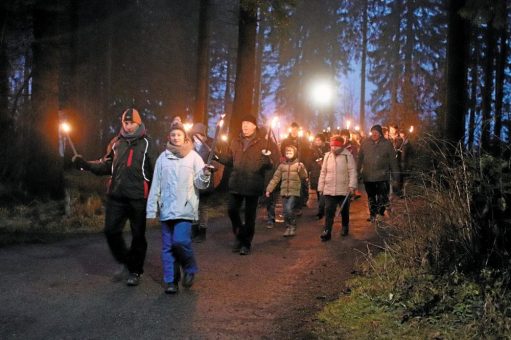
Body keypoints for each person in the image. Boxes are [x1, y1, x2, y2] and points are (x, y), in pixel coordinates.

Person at [72, 108, 155, 286]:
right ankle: (128, 261)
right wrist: (85, 165)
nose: (128, 125)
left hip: (138, 197)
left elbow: (156, 170)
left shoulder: (147, 144)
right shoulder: (116, 142)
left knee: (138, 236)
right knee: (111, 231)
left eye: (131, 122)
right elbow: (106, 165)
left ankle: (135, 271)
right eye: (125, 122)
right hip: (117, 195)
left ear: (138, 123)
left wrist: (157, 195)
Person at [146, 122, 211, 294]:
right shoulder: (162, 158)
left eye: (179, 134)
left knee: (180, 241)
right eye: (173, 135)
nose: (176, 137)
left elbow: (201, 185)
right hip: (167, 209)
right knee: (168, 246)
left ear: (185, 137)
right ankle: (171, 281)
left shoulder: (194, 157)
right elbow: (156, 185)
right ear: (169, 137)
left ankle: (189, 267)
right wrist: (152, 208)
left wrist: (205, 175)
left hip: (185, 208)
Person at [216, 114, 273, 255]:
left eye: (248, 123)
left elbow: (270, 165)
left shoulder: (262, 143)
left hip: (253, 184)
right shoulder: (235, 141)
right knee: (232, 210)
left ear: (255, 126)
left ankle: (246, 243)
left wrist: (267, 162)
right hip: (236, 182)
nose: (245, 126)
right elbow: (230, 160)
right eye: (243, 123)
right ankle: (240, 234)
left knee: (249, 216)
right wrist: (218, 157)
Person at [318, 135, 357, 241]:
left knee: (344, 210)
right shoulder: (327, 156)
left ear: (341, 146)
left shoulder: (347, 156)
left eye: (335, 146)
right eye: (332, 146)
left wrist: (352, 186)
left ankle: (345, 226)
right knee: (329, 210)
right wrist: (321, 186)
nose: (333, 148)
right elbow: (323, 172)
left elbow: (352, 171)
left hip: (343, 189)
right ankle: (327, 231)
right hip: (329, 189)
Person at [357, 124, 400, 222]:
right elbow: (359, 158)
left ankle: (380, 213)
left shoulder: (387, 144)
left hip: (382, 176)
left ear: (380, 134)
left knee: (382, 196)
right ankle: (372, 214)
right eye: (373, 132)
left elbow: (393, 161)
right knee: (371, 197)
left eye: (376, 132)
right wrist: (357, 171)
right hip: (368, 176)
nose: (374, 134)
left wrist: (396, 177)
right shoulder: (365, 143)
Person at [265, 145, 308, 237]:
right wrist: (269, 189)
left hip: (294, 191)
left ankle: (292, 225)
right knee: (285, 211)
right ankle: (288, 227)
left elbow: (304, 176)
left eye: (291, 152)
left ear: (295, 153)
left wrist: (301, 170)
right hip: (284, 191)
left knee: (289, 208)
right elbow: (275, 178)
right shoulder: (282, 166)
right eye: (287, 152)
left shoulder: (298, 165)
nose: (289, 154)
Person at [189, 123, 214, 242]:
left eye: (199, 135)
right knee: (193, 206)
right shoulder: (189, 148)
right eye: (195, 135)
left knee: (203, 207)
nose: (196, 138)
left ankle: (202, 232)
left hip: (205, 181)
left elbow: (217, 165)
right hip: (192, 182)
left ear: (204, 136)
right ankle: (194, 230)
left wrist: (208, 168)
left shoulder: (209, 148)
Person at [280, 122, 311, 214]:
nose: (294, 131)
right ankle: (289, 207)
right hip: (289, 167)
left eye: (296, 129)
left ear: (298, 130)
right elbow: (282, 153)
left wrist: (305, 166)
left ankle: (298, 206)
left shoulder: (303, 141)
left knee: (300, 187)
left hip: (300, 167)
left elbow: (307, 154)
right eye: (292, 129)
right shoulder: (285, 141)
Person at [308, 134, 329, 219]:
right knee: (319, 193)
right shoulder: (312, 150)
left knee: (324, 194)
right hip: (316, 173)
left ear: (323, 141)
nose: (317, 142)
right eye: (316, 140)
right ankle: (321, 211)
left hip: (326, 174)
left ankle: (322, 211)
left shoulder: (328, 149)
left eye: (319, 140)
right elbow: (309, 160)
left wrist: (323, 161)